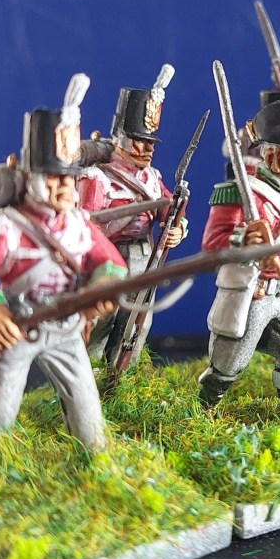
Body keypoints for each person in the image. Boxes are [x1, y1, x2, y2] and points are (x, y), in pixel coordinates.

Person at [0, 75, 126, 448]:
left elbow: (110, 261)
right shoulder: (5, 227)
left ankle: (95, 464)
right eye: (53, 178)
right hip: (18, 326)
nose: (64, 186)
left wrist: (102, 286)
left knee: (90, 422)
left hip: (66, 330)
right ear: (30, 177)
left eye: (69, 178)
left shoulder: (79, 223)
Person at [198, 99, 280, 413]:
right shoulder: (239, 192)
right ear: (270, 154)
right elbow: (213, 243)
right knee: (231, 359)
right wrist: (243, 238)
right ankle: (203, 407)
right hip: (255, 289)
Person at [78, 65, 185, 364]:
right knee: (101, 320)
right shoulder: (97, 178)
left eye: (150, 142)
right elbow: (84, 226)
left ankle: (123, 375)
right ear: (120, 139)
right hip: (106, 258)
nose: (147, 148)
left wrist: (177, 229)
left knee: (138, 322)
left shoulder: (152, 177)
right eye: (139, 140)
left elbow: (168, 208)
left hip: (143, 257)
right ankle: (89, 375)